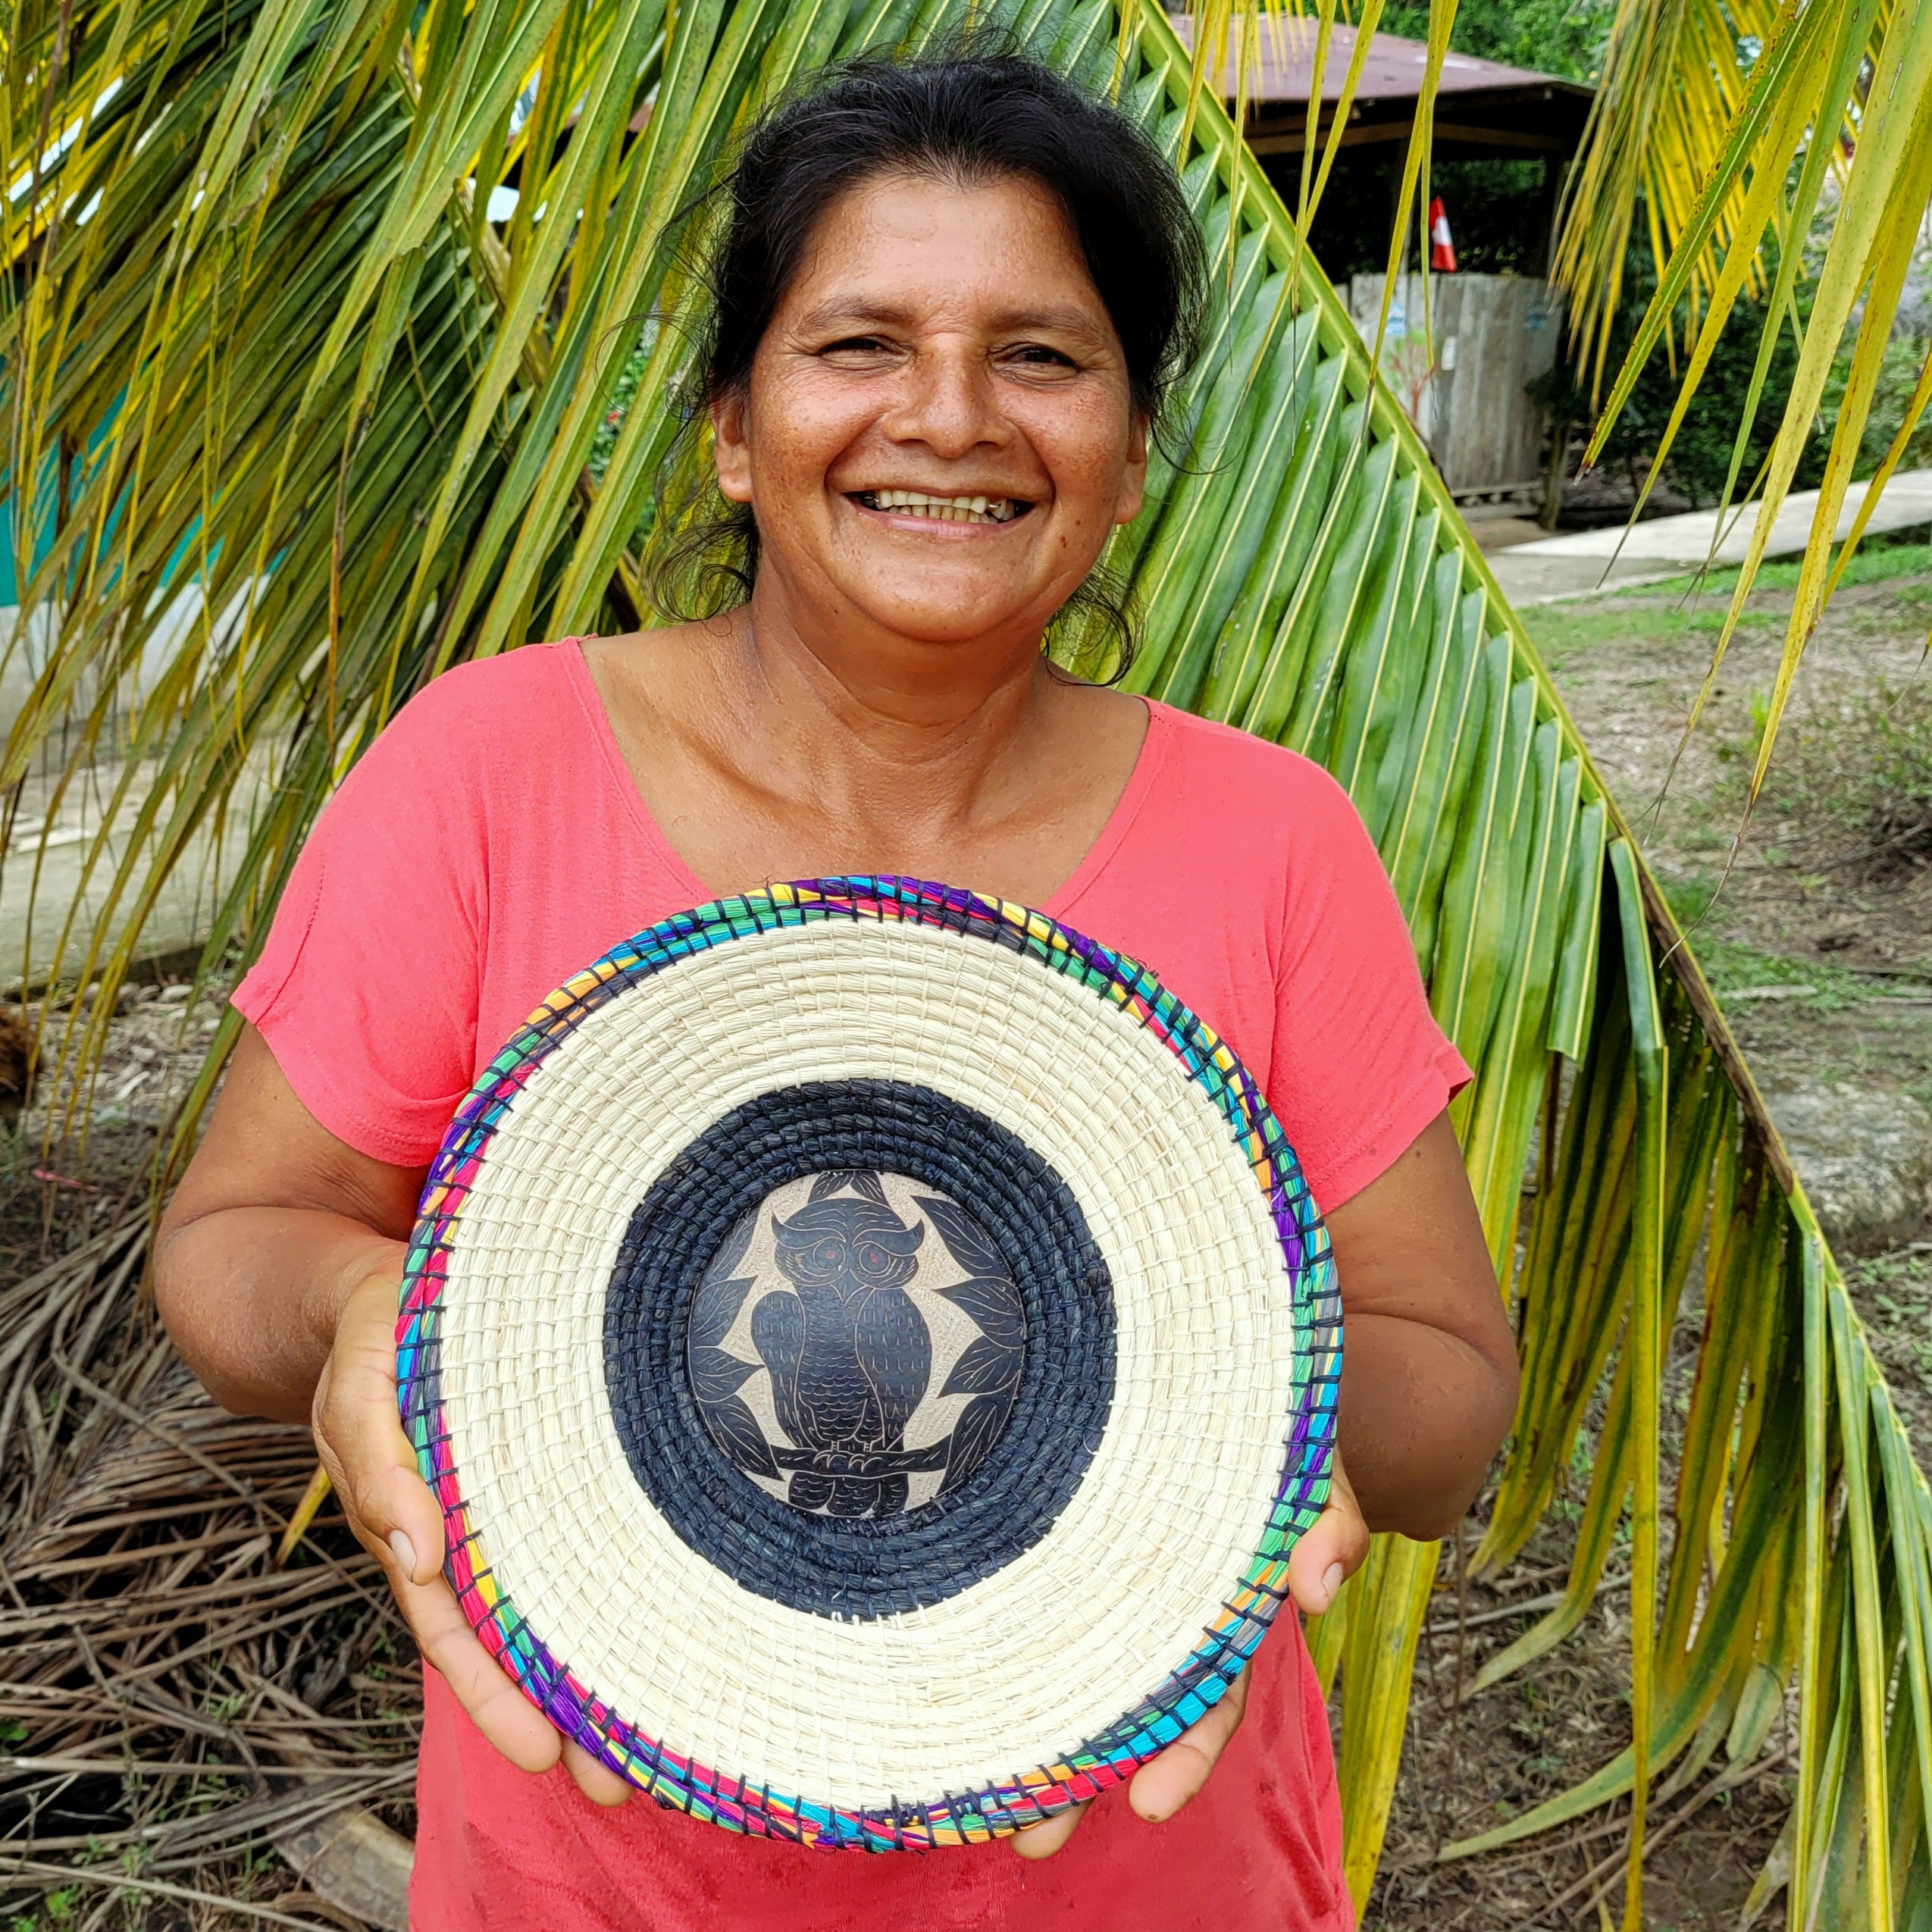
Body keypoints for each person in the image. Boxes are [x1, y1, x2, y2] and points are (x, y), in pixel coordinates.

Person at [155, 49, 1517, 1932]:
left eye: (1043, 355)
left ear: (1131, 454)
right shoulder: (487, 772)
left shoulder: (1270, 839)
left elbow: (1447, 1404)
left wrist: (1211, 1414)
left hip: (1152, 1881)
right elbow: (240, 1239)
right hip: (595, 1886)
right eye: (857, 342)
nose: (949, 415)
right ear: (732, 425)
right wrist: (352, 1304)